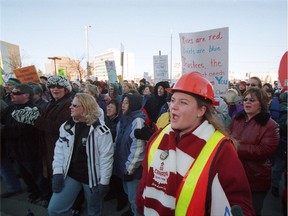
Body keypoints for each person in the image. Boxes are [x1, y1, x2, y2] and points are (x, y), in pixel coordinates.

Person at [136, 72, 255, 216]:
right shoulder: (158, 137)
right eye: (173, 100)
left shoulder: (222, 148)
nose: (173, 106)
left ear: (201, 110)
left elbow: (238, 200)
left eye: (183, 102)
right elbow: (144, 185)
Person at [48, 93, 114, 216]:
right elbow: (59, 151)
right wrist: (57, 172)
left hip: (92, 179)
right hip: (71, 175)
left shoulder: (101, 131)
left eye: (74, 105)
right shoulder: (67, 127)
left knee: (94, 211)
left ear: (86, 107)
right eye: (71, 104)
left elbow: (106, 158)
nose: (70, 107)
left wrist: (104, 182)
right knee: (54, 209)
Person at [228, 87, 279, 216]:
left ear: (261, 103)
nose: (247, 102)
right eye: (245, 99)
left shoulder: (271, 125)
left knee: (252, 212)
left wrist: (237, 147)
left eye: (252, 100)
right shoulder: (237, 119)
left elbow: (265, 150)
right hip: (234, 177)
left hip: (256, 180)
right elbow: (226, 136)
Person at [1, 84, 50, 206]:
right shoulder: (11, 109)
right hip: (15, 151)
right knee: (25, 175)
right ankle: (34, 193)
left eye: (16, 93)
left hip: (31, 150)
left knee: (38, 175)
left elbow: (21, 130)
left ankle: (45, 196)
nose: (12, 95)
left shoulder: (33, 110)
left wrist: (2, 129)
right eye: (11, 93)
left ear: (27, 95)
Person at [114, 93, 146, 216]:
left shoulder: (137, 121)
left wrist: (129, 170)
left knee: (134, 199)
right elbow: (117, 141)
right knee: (129, 194)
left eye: (126, 102)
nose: (123, 105)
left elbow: (138, 149)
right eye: (122, 102)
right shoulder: (123, 118)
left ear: (133, 104)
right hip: (124, 166)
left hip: (132, 170)